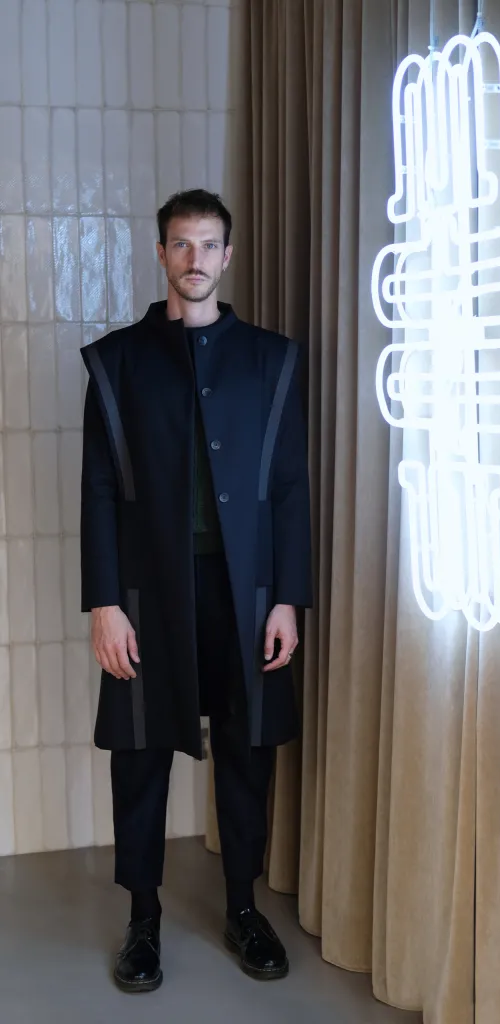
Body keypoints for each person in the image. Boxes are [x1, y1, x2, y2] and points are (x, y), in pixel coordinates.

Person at [80, 189, 312, 991]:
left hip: (243, 592)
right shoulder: (116, 362)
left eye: (208, 246)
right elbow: (100, 491)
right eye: (180, 245)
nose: (195, 261)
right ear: (160, 255)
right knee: (140, 753)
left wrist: (288, 597)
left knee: (247, 750)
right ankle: (141, 919)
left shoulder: (272, 360)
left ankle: (244, 908)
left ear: (228, 255)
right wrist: (103, 603)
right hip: (147, 592)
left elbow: (289, 487)